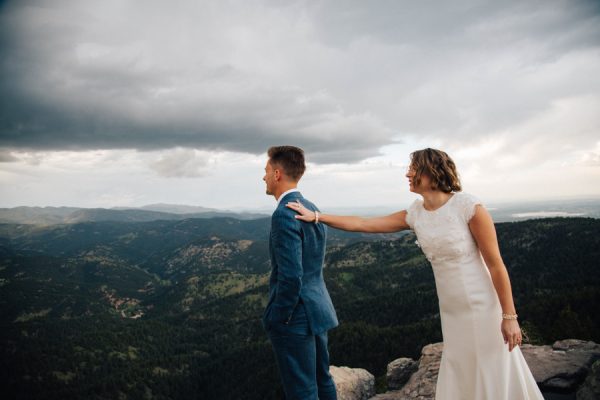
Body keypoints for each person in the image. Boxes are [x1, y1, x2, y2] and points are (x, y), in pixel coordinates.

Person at [287, 148, 544, 399]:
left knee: (491, 366)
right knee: (462, 366)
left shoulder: (469, 207)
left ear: (431, 171)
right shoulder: (415, 214)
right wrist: (318, 216)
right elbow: (364, 223)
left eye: (412, 168)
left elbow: (496, 264)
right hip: (451, 309)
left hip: (482, 305)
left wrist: (509, 316)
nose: (407, 174)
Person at [262, 145, 339, 400]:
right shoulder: (310, 207)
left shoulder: (284, 214)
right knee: (322, 378)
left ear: (276, 174)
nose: (263, 177)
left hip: (295, 315)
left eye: (265, 171)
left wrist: (278, 316)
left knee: (301, 389)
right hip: (317, 307)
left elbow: (291, 276)